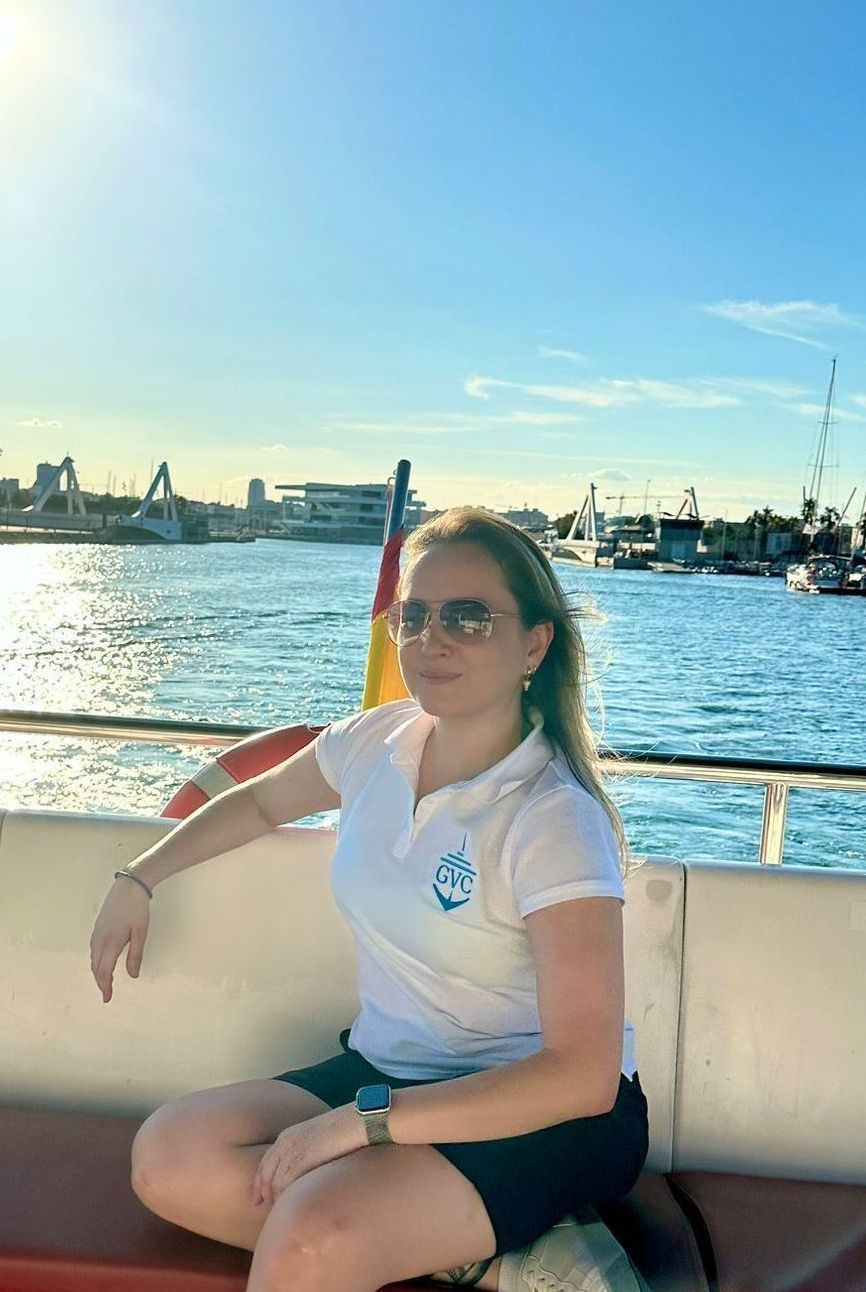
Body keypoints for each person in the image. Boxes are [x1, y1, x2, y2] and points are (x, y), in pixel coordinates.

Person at [90, 507, 650, 1292]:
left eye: (468, 617)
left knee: (311, 1236)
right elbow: (261, 801)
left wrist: (362, 1123)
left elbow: (581, 1076)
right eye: (413, 617)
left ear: (534, 644)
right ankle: (489, 1259)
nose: (432, 639)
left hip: (544, 1114)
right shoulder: (375, 742)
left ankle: (413, 1233)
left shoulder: (551, 817)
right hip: (389, 1067)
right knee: (170, 1157)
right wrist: (139, 876)